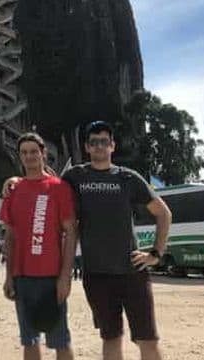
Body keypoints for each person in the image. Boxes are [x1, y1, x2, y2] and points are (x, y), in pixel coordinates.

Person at [63, 121, 172, 360]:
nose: (99, 146)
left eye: (104, 141)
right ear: (86, 147)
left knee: (148, 339)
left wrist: (155, 254)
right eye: (94, 142)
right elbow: (47, 185)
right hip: (97, 275)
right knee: (111, 338)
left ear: (112, 146)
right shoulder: (75, 177)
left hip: (132, 272)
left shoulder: (128, 178)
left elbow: (164, 213)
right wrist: (14, 183)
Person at [0, 132, 77, 360]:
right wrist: (8, 276)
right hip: (23, 277)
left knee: (60, 340)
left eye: (34, 151)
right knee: (29, 340)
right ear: (19, 156)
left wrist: (65, 277)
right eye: (24, 152)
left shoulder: (59, 188)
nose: (29, 156)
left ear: (43, 153)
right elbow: (10, 237)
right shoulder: (13, 191)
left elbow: (71, 232)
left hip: (51, 277)